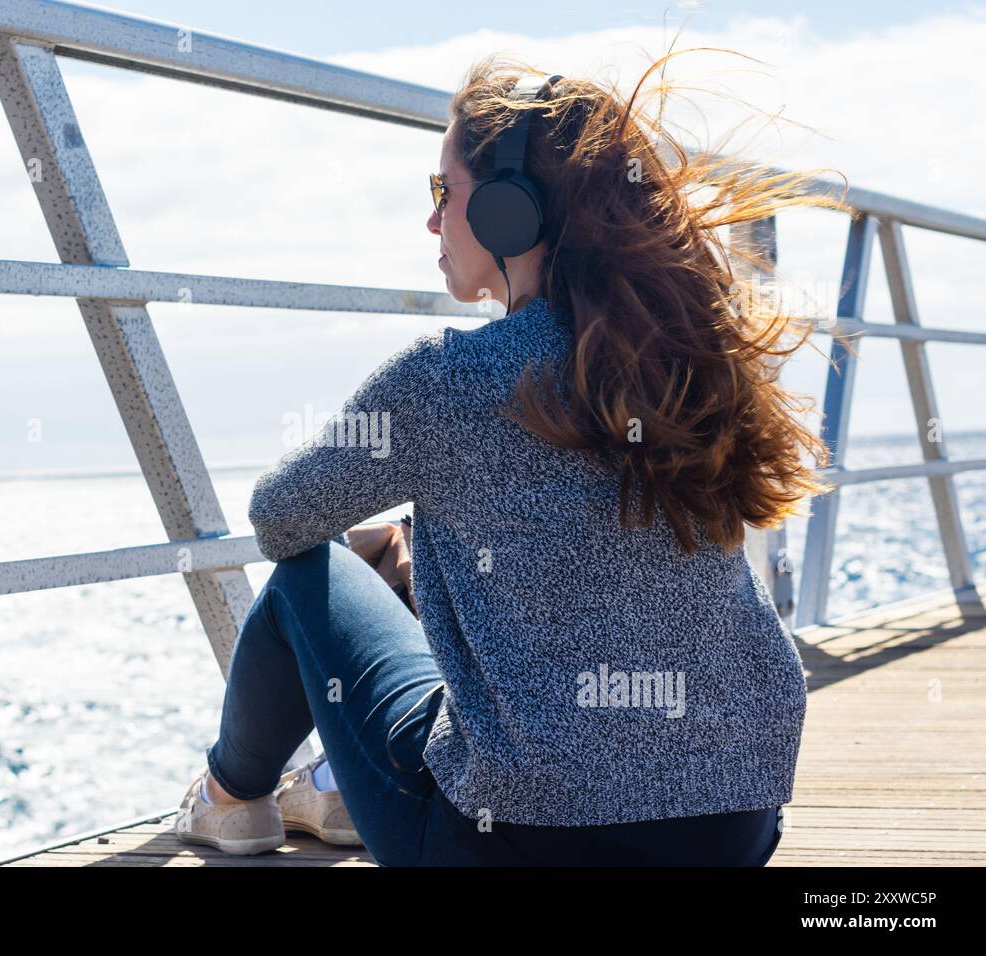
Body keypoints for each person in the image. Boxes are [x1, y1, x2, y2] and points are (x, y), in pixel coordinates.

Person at [175, 49, 848, 865]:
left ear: (506, 213)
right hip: (730, 834)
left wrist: (396, 531)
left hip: (508, 846)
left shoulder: (443, 379)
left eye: (441, 194)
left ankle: (229, 800)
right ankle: (324, 791)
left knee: (307, 576)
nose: (431, 222)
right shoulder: (691, 363)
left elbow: (279, 517)